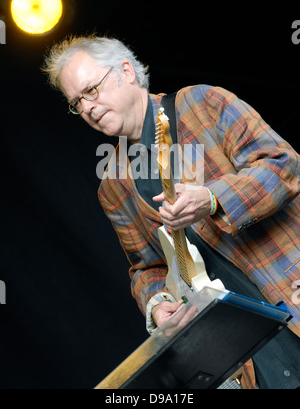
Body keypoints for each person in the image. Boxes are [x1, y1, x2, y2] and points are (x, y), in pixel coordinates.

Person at [43, 35, 300, 389]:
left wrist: (212, 198)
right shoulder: (113, 187)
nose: (87, 107)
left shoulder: (202, 103)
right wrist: (157, 303)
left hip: (290, 289)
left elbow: (284, 166)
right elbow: (147, 267)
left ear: (127, 72)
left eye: (91, 90)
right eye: (76, 103)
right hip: (247, 349)